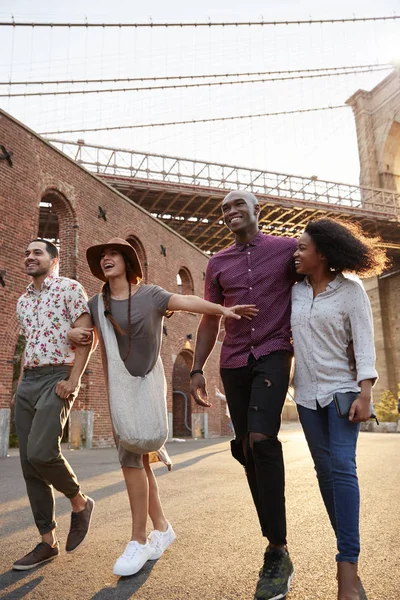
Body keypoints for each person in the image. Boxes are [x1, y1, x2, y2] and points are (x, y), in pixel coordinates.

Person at [68, 237, 257, 577]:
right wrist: (73, 335)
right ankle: (160, 529)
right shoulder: (97, 303)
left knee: (135, 456)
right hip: (120, 391)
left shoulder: (151, 295)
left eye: (114, 254)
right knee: (135, 458)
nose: (107, 259)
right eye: (103, 256)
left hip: (149, 386)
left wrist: (222, 310)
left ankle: (139, 540)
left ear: (128, 261)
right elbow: (79, 331)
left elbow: (186, 300)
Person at [190, 190, 298, 600]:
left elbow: (318, 277)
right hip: (233, 361)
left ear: (258, 211)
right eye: (224, 209)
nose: (231, 211)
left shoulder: (287, 250)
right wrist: (197, 369)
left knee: (262, 440)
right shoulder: (217, 262)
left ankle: (277, 549)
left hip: (273, 352)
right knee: (245, 448)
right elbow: (208, 320)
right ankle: (274, 539)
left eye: (239, 204)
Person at [291, 218, 388, 600]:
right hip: (305, 397)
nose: (296, 253)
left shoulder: (352, 291)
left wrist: (366, 393)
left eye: (302, 248)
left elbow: (364, 344)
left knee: (343, 469)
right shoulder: (294, 291)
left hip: (343, 394)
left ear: (324, 254)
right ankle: (352, 567)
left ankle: (346, 568)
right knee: (324, 474)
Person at [13, 239, 95, 571]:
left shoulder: (70, 288)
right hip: (29, 380)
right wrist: (20, 383)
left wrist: (74, 380)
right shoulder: (22, 301)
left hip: (57, 377)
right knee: (29, 465)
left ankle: (79, 502)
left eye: (37, 252)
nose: (30, 256)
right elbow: (33, 340)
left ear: (54, 259)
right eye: (27, 252)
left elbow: (87, 337)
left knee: (42, 452)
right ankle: (47, 542)